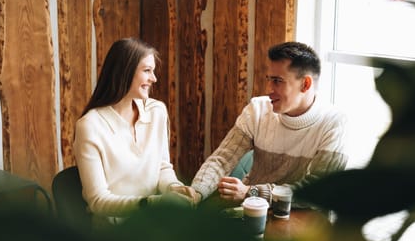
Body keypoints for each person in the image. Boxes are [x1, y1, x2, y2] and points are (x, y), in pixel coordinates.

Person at [190, 41, 348, 207]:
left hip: (304, 221)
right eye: (269, 79)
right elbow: (221, 160)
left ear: (305, 84)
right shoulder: (257, 109)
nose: (268, 88)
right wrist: (194, 194)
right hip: (250, 210)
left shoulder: (334, 123)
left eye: (277, 81)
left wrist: (251, 192)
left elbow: (318, 190)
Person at [72, 37, 196, 227]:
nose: (153, 79)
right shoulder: (90, 126)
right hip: (114, 234)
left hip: (155, 224)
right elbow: (98, 201)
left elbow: (162, 167)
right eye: (147, 71)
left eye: (153, 71)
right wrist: (151, 203)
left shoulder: (157, 111)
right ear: (125, 72)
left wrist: (174, 189)